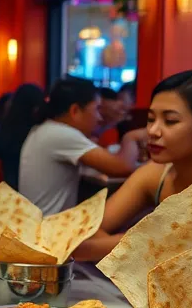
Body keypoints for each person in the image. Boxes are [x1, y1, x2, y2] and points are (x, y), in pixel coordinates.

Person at [75, 71, 192, 262]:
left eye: (170, 121)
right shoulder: (156, 174)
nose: (152, 131)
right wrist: (138, 245)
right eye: (151, 119)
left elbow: (171, 251)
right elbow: (90, 230)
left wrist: (87, 248)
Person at [18, 77, 145, 215]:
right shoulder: (61, 134)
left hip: (38, 225)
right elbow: (122, 167)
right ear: (75, 111)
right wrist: (131, 137)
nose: (99, 117)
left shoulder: (46, 129)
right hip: (50, 231)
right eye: (97, 109)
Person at [0, 83, 45, 190]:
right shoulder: (31, 134)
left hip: (0, 192)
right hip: (18, 193)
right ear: (35, 107)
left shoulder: (6, 127)